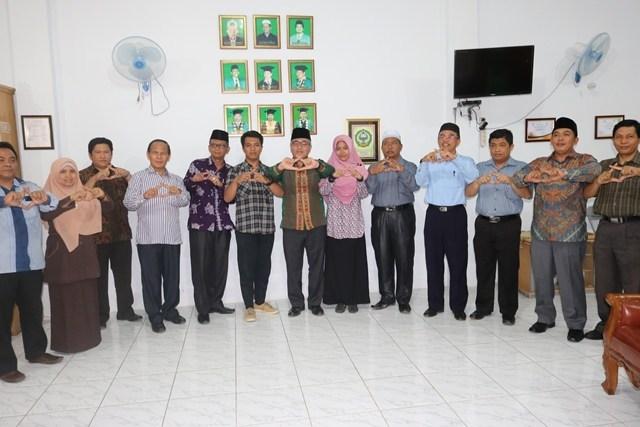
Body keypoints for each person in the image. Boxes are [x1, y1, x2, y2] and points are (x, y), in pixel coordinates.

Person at [513, 117, 601, 342]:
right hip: (541, 231)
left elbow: (595, 171)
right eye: (556, 134)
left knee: (570, 280)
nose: (560, 138)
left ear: (575, 139)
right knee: (542, 278)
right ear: (551, 139)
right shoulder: (540, 162)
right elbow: (517, 177)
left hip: (570, 233)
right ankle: (545, 318)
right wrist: (528, 177)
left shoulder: (584, 160)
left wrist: (565, 174)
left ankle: (576, 324)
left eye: (566, 134)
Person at [0, 142, 63, 383]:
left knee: (33, 310)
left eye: (11, 159)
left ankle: (36, 352)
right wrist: (4, 202)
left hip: (31, 264)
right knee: (2, 317)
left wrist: (43, 197)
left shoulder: (28, 186)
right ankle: (5, 366)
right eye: (1, 160)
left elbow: (53, 204)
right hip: (3, 266)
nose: (7, 164)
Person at [464, 129, 531, 325]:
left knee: (509, 268)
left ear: (511, 146)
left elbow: (528, 194)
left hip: (509, 224)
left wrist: (510, 181)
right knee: (483, 267)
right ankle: (483, 307)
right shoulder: (480, 167)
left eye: (502, 145)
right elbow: (468, 192)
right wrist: (478, 182)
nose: (497, 149)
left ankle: (508, 311)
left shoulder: (521, 168)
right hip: (484, 223)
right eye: (493, 145)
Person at [266, 128, 335, 317]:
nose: (300, 147)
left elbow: (331, 171)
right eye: (296, 143)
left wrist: (316, 164)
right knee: (293, 267)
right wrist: (281, 166)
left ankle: (315, 303)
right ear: (290, 146)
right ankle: (296, 303)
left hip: (316, 224)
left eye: (304, 143)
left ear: (309, 147)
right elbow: (267, 175)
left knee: (317, 266)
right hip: (291, 225)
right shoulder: (285, 166)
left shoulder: (316, 165)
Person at [124, 139, 190, 333]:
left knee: (172, 278)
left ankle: (170, 311)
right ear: (148, 155)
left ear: (168, 156)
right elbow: (128, 203)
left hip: (171, 237)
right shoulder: (138, 178)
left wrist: (177, 193)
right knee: (151, 280)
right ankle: (155, 316)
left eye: (163, 153)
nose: (159, 156)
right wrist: (144, 196)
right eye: (155, 152)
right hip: (148, 238)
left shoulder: (176, 179)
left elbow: (185, 200)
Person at [583, 119, 640, 340]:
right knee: (605, 280)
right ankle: (606, 324)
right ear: (613, 140)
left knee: (634, 281)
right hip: (605, 227)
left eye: (629, 136)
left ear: (638, 139)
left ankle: (632, 328)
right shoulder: (605, 164)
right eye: (619, 137)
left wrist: (636, 172)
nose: (623, 141)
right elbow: (587, 194)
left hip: (633, 227)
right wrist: (599, 180)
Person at [416, 123, 479, 320]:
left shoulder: (465, 161)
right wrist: (424, 162)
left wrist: (454, 159)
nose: (445, 139)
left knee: (458, 262)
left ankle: (458, 307)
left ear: (458, 141)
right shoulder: (430, 161)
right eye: (442, 135)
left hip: (455, 215)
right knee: (433, 261)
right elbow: (420, 182)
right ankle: (435, 305)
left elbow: (473, 177)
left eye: (450, 136)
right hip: (434, 215)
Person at [42, 158, 105, 353]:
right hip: (62, 252)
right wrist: (71, 198)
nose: (68, 176)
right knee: (65, 296)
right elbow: (47, 214)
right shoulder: (47, 195)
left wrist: (101, 195)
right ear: (54, 174)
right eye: (63, 172)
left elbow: (108, 208)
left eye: (72, 171)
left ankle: (90, 338)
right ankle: (67, 343)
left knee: (87, 293)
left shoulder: (84, 191)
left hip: (85, 250)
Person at [79, 137, 142, 328]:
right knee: (99, 278)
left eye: (106, 152)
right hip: (96, 236)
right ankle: (100, 316)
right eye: (98, 152)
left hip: (121, 233)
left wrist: (128, 176)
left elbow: (137, 195)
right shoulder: (82, 175)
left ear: (112, 153)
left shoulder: (119, 174)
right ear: (90, 155)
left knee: (124, 276)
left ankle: (125, 310)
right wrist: (96, 178)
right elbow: (78, 197)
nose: (103, 156)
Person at [224, 131, 284, 322]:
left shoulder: (270, 171)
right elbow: (227, 198)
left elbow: (281, 193)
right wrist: (237, 181)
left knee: (264, 266)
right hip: (245, 229)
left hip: (266, 227)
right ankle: (249, 306)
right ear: (243, 148)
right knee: (246, 268)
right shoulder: (235, 171)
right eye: (248, 145)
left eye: (256, 145)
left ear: (261, 147)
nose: (252, 148)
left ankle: (260, 301)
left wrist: (265, 180)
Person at [184, 130, 236, 324]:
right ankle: (203, 308)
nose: (217, 149)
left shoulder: (231, 171)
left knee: (220, 266)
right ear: (209, 147)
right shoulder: (197, 165)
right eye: (214, 145)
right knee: (200, 268)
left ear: (227, 149)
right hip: (200, 224)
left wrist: (221, 185)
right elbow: (184, 186)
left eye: (221, 146)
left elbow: (232, 199)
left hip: (222, 224)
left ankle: (216, 302)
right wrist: (194, 180)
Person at [366, 130, 419, 313]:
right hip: (380, 215)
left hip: (402, 214)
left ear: (400, 146)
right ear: (381, 147)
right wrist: (373, 173)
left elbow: (415, 185)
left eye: (393, 143)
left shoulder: (410, 166)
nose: (389, 147)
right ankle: (387, 296)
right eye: (385, 144)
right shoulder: (375, 167)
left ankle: (403, 298)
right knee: (382, 256)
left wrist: (401, 170)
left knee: (404, 257)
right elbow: (369, 189)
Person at [320, 135, 370, 313]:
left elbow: (363, 194)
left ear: (351, 149)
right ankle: (339, 299)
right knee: (337, 263)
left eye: (345, 148)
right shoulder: (329, 169)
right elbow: (323, 190)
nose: (342, 152)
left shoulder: (359, 168)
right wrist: (332, 178)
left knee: (355, 263)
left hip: (354, 223)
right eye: (338, 148)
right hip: (336, 223)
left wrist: (359, 179)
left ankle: (353, 299)